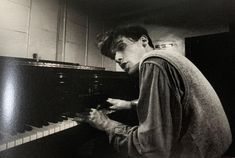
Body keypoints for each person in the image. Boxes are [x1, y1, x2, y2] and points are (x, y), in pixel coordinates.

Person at [74, 25, 232, 158]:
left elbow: (153, 148)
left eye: (121, 47)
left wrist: (105, 123)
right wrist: (130, 104)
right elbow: (176, 105)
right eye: (113, 55)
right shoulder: (167, 57)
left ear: (143, 41)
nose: (117, 58)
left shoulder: (153, 63)